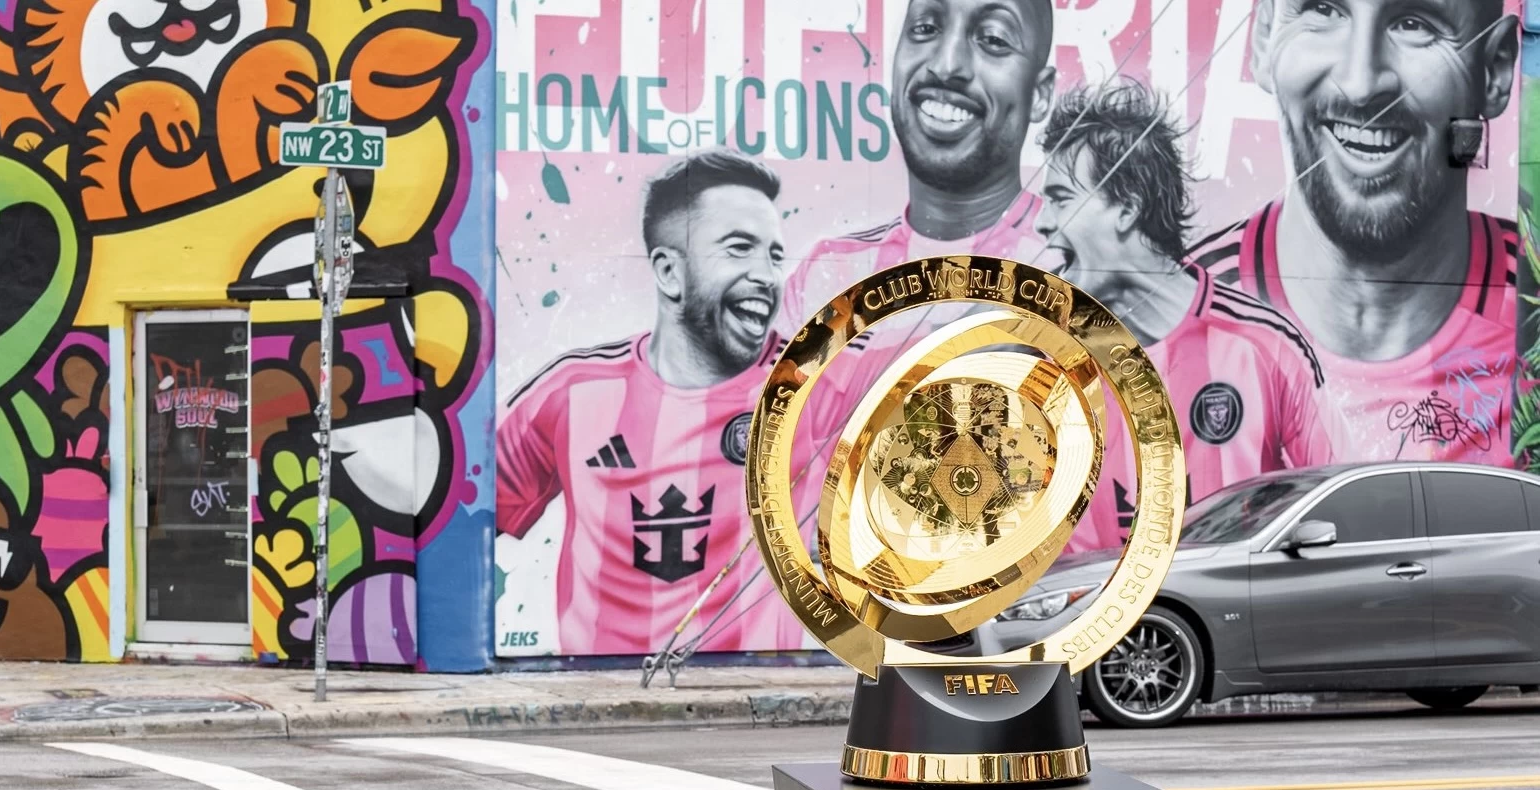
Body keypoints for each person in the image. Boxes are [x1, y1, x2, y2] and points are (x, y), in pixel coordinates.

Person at [495, 149, 845, 656]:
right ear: (669, 272)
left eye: (774, 255)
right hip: (593, 687)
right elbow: (466, 521)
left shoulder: (818, 388)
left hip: (762, 681)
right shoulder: (572, 392)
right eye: (739, 248)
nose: (767, 275)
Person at [1190, 0, 1520, 465]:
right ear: (1264, 36)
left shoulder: (1530, 322)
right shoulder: (1158, 329)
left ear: (1494, 69)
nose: (1361, 84)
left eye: (1414, 23)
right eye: (1323, 10)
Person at [1033, 82, 1334, 554]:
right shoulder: (1043, 359)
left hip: (1222, 601)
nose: (1042, 222)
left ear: (1127, 208)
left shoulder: (1266, 346)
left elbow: (1339, 504)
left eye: (1061, 198)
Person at [780, 0, 1060, 328]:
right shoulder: (826, 275)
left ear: (1040, 94)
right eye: (925, 28)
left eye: (994, 39)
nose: (946, 65)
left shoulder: (1074, 267)